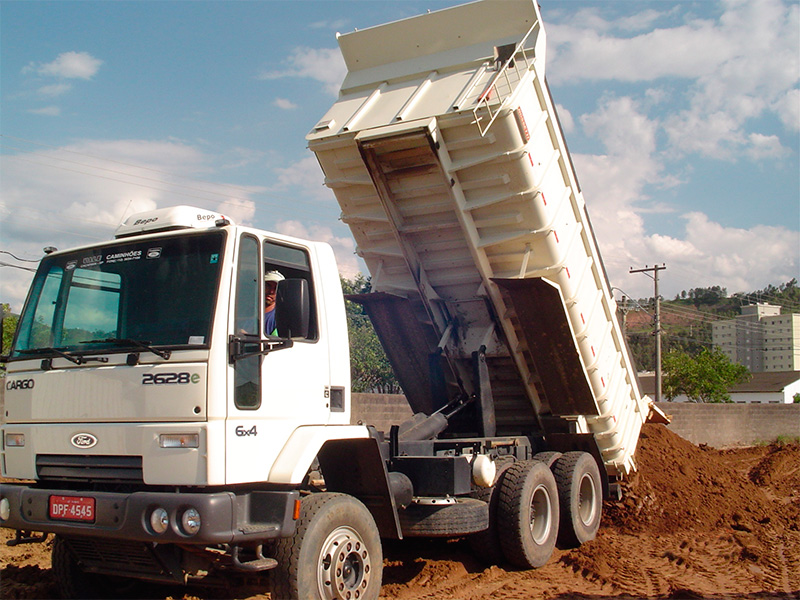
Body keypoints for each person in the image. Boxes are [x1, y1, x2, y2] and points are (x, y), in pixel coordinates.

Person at [264, 270, 285, 336]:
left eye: (276, 288)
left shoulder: (280, 318)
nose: (271, 291)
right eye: (268, 286)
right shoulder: (247, 312)